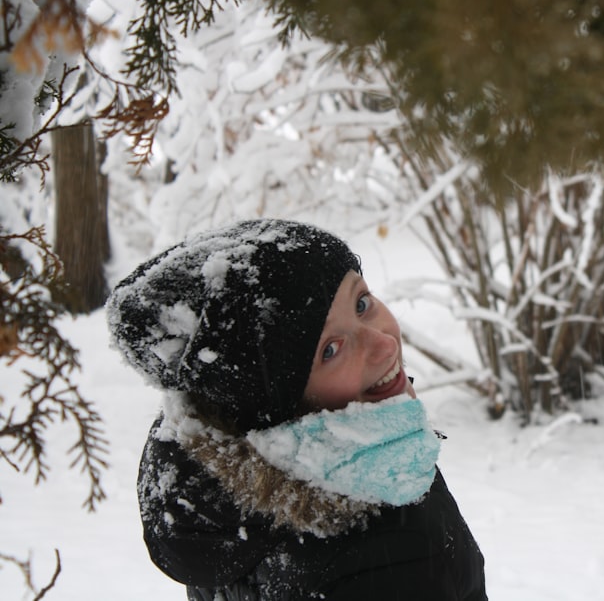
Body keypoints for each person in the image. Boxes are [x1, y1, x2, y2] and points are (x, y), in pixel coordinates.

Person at [106, 218, 488, 600]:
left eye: (361, 304)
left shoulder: (221, 509)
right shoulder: (388, 544)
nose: (384, 344)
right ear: (276, 406)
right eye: (330, 350)